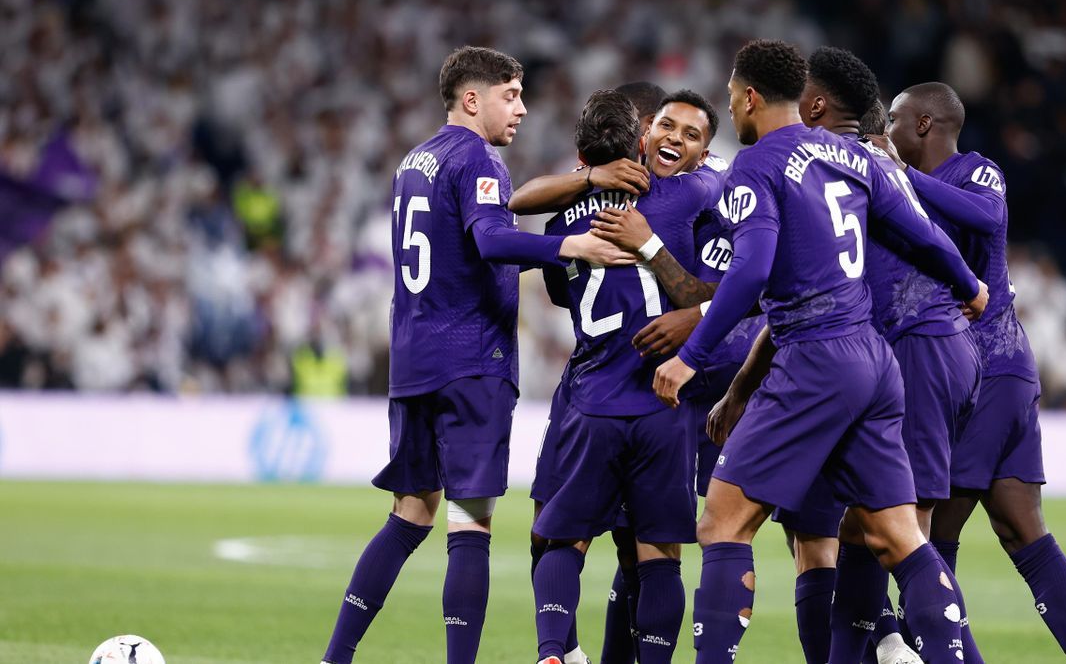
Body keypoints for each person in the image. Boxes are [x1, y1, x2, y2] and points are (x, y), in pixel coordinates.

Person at [651, 39, 987, 664]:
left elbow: (750, 274)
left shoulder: (754, 168)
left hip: (813, 357)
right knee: (899, 536)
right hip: (875, 363)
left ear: (750, 97)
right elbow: (925, 236)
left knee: (722, 522)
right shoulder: (856, 157)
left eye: (731, 95)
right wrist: (972, 287)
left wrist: (691, 355)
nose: (732, 106)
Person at [319, 46, 633, 664]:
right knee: (470, 525)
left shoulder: (414, 161)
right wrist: (574, 245)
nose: (521, 108)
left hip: (412, 360)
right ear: (472, 99)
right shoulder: (477, 159)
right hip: (471, 362)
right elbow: (490, 241)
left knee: (409, 516)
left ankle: (335, 658)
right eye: (510, 95)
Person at [878, 81, 1066, 663]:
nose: (887, 132)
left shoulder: (975, 172)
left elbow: (984, 215)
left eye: (897, 120)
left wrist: (902, 178)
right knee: (1021, 530)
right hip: (987, 373)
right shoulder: (900, 194)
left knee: (927, 539)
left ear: (926, 125)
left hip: (982, 372)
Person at [529, 88, 722, 664]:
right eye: (666, 127)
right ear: (641, 135)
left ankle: (552, 653)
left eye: (690, 135)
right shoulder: (682, 195)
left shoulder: (559, 220)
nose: (675, 142)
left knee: (562, 538)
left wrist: (585, 184)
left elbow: (559, 292)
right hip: (664, 401)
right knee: (659, 552)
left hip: (593, 396)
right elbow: (729, 283)